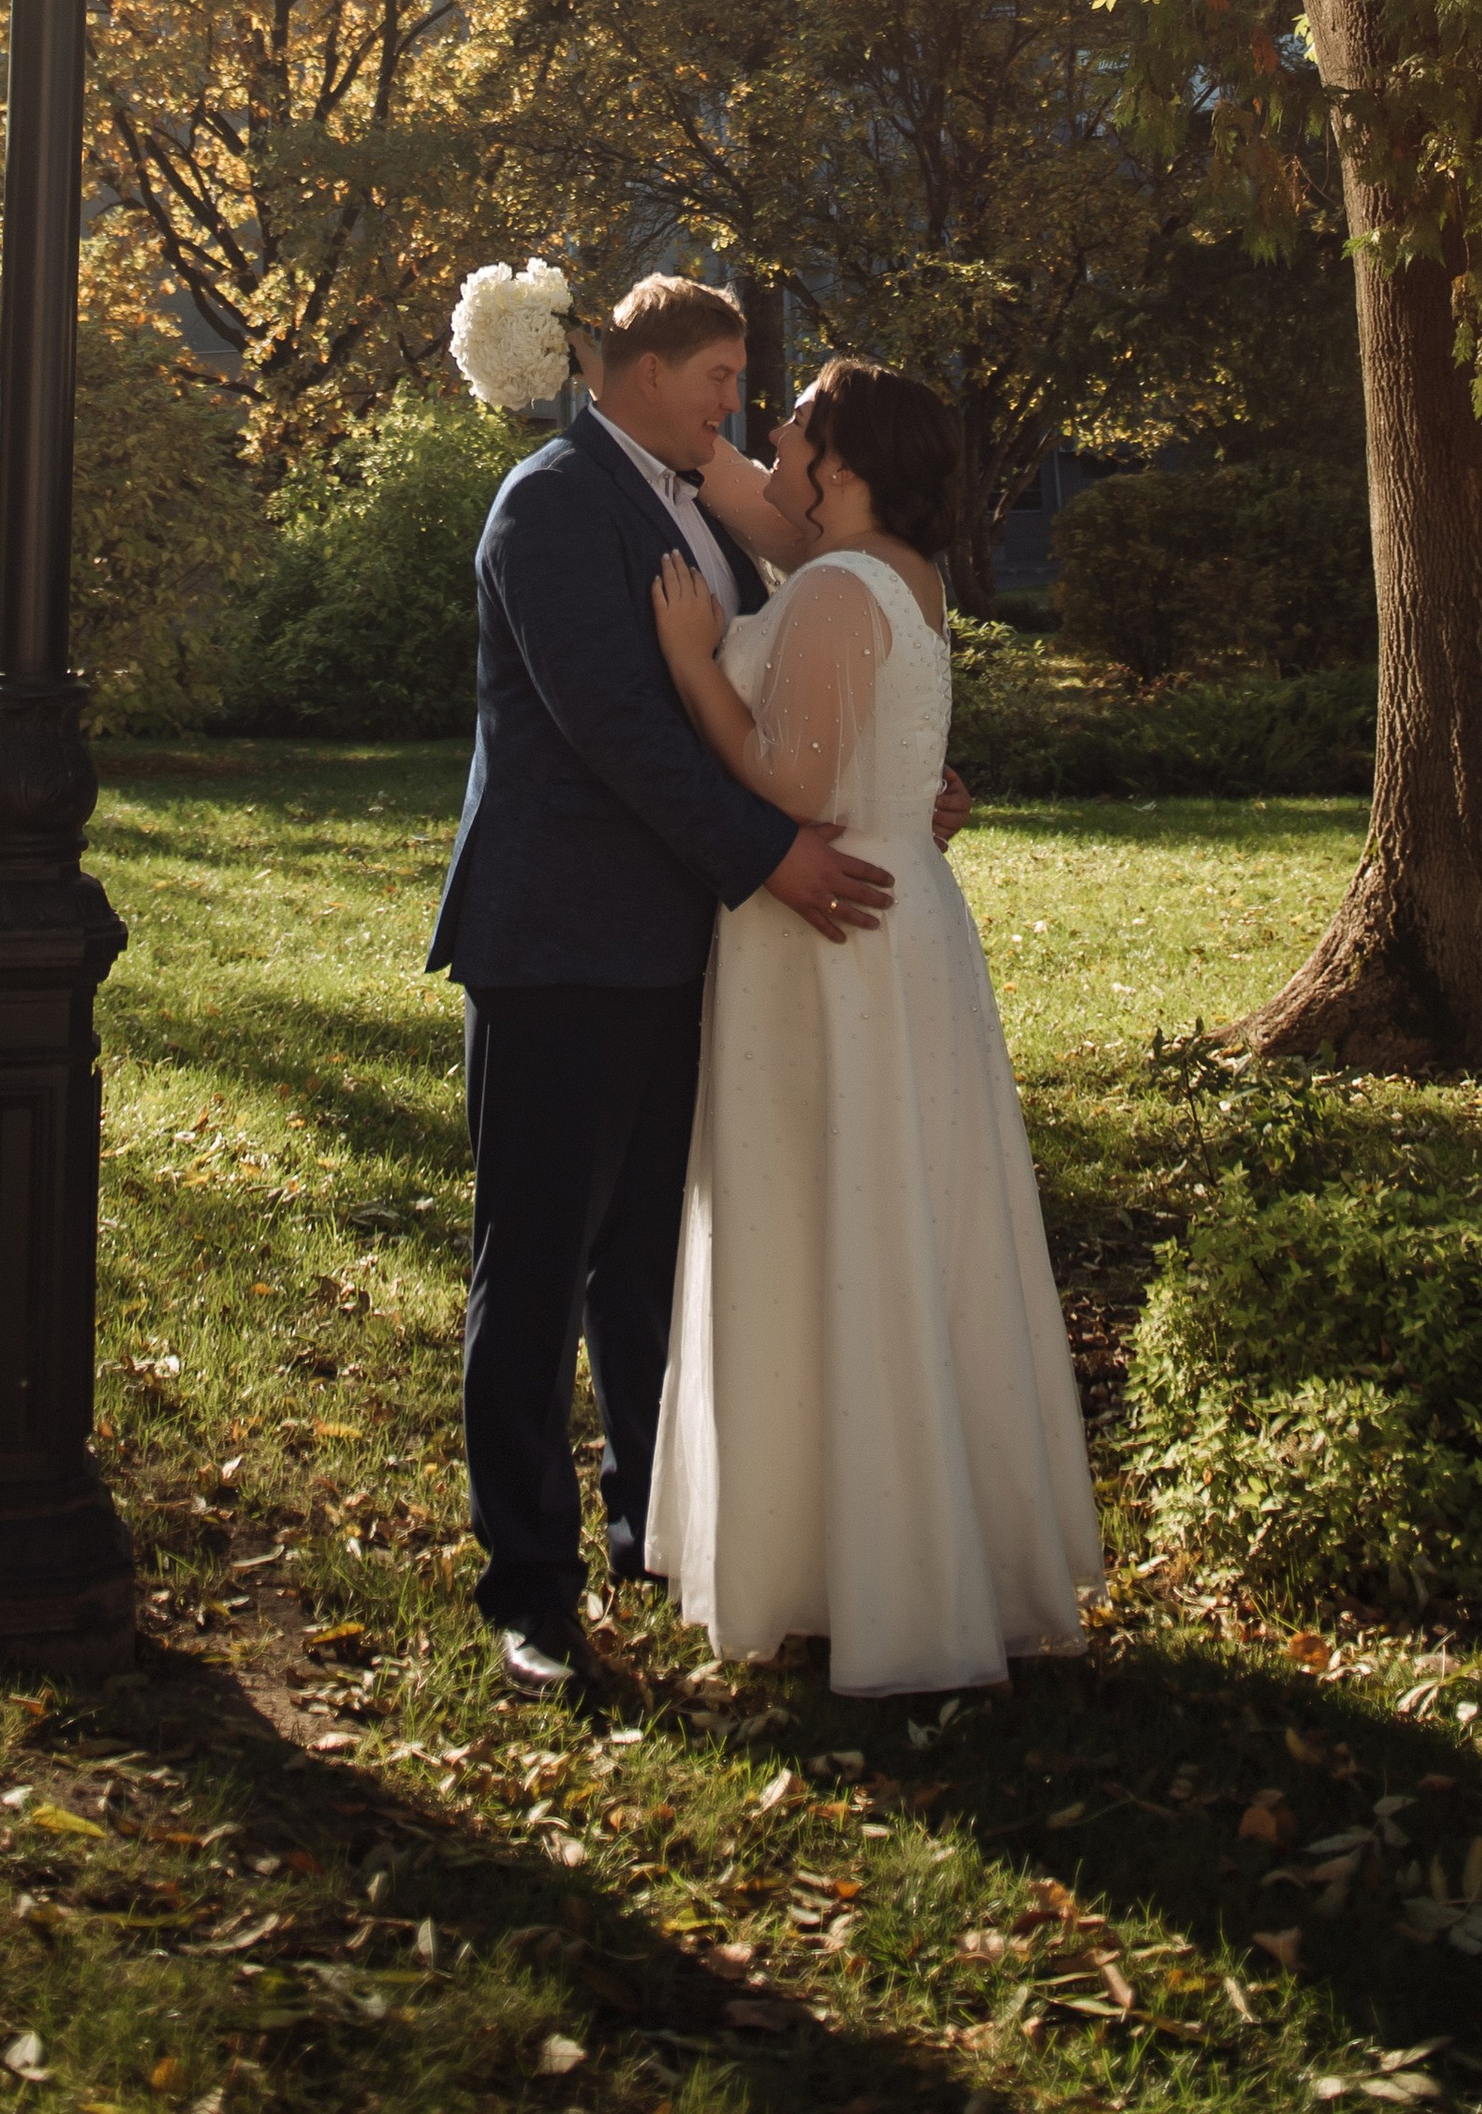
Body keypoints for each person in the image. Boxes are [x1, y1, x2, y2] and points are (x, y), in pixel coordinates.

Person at [424, 276, 972, 1706]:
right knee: (537, 1267)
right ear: (643, 367)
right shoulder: (548, 505)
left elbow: (796, 687)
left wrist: (887, 787)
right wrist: (773, 857)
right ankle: (528, 1591)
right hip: (558, 942)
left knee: (655, 1268)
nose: (737, 403)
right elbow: (612, 724)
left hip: (687, 947)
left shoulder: (694, 508)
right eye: (723, 376)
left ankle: (643, 1529)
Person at [644, 357, 1104, 1695]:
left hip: (832, 940)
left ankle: (864, 1569)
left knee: (835, 1219)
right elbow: (873, 730)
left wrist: (688, 661)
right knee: (898, 1222)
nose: (772, 434)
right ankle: (890, 1548)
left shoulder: (844, 590)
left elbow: (788, 775)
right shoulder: (905, 572)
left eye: (792, 424)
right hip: (900, 923)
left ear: (838, 461)